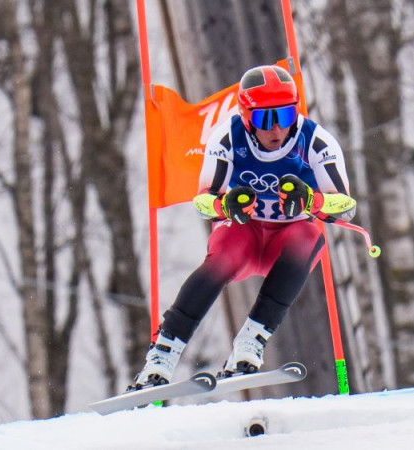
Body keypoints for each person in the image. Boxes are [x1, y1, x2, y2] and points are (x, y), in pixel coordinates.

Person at [132, 64, 357, 388]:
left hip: (285, 238)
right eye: (265, 119)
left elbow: (347, 208)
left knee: (309, 236)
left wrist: (312, 200)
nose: (277, 129)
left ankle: (251, 342)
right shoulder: (227, 137)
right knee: (225, 258)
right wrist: (225, 205)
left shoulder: (316, 142)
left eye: (286, 115)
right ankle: (163, 354)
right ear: (247, 117)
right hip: (245, 234)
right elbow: (203, 202)